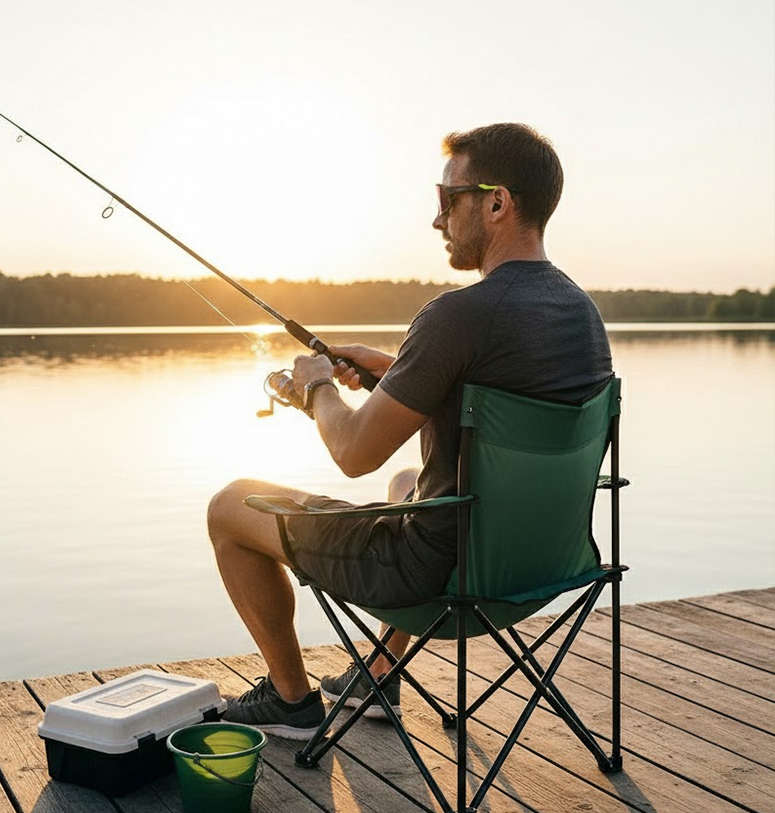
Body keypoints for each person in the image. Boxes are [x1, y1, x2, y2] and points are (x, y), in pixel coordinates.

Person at [207, 123, 613, 739]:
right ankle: (378, 677)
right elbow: (486, 400)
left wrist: (317, 383)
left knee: (230, 506)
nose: (437, 218)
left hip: (436, 575)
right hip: (543, 569)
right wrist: (394, 372)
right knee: (407, 480)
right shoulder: (581, 315)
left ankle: (290, 701)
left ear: (497, 201)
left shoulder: (456, 315)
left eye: (448, 198)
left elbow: (350, 452)